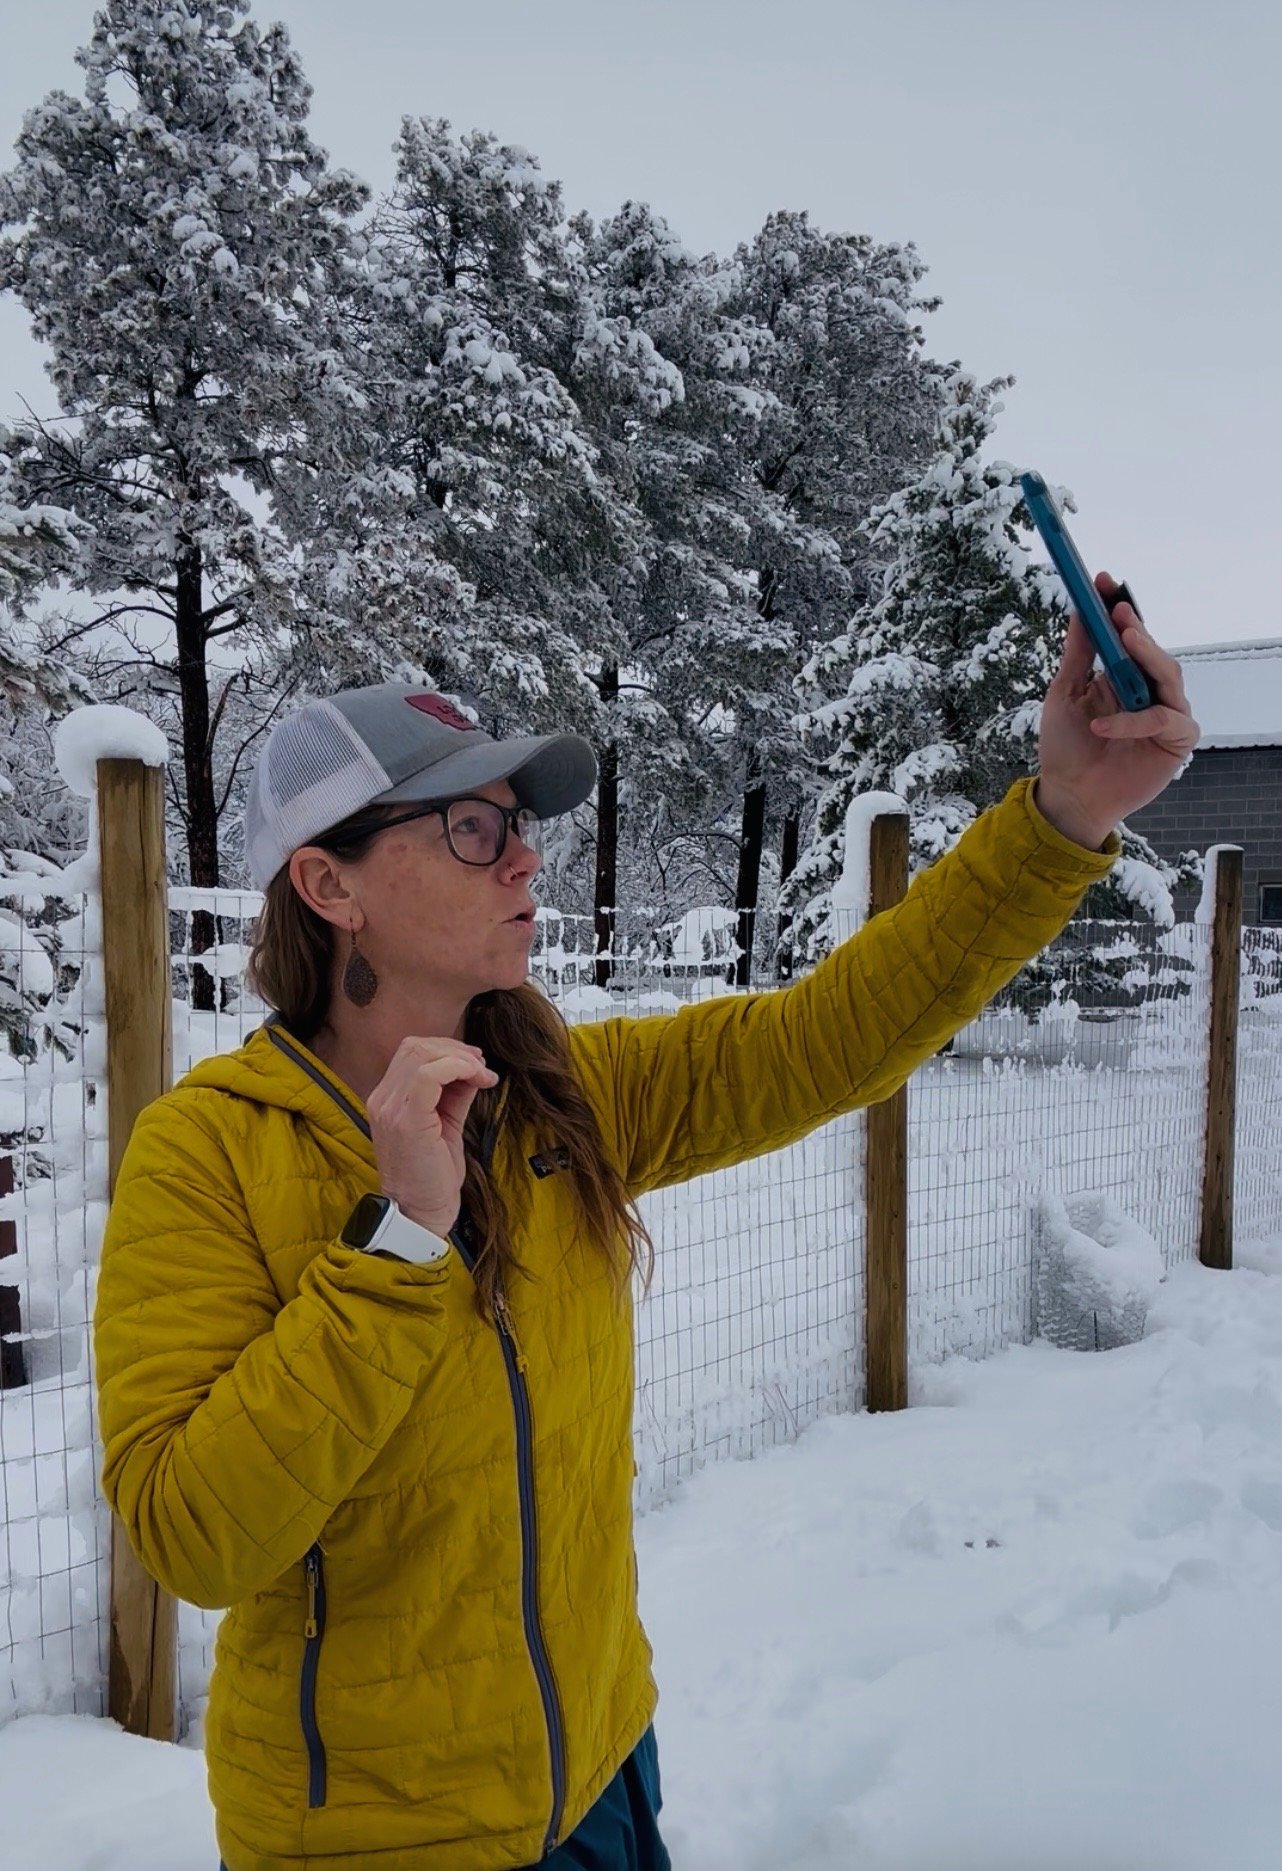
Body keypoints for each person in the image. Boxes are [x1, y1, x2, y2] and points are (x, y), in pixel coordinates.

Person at [94, 583, 1198, 1871]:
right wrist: (399, 1239)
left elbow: (832, 1032)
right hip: (376, 1843)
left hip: (603, 1780)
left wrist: (1066, 814)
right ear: (328, 883)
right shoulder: (208, 1152)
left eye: (517, 823)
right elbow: (192, 1536)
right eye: (469, 828)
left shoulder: (563, 1101)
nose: (525, 857)